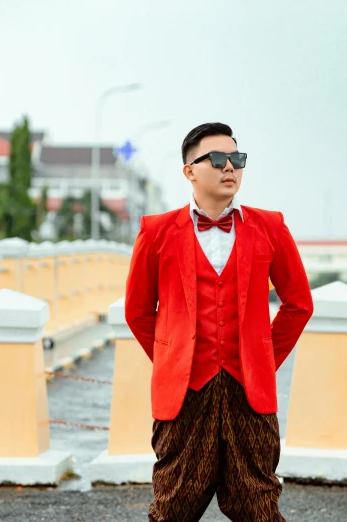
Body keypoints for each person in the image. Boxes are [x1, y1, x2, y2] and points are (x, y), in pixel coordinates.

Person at [125, 122, 314, 521]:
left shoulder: (271, 227)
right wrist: (174, 358)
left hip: (250, 396)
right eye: (217, 159)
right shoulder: (156, 232)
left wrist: (260, 359)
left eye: (237, 159)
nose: (230, 167)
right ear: (189, 171)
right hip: (184, 396)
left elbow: (298, 303)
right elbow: (138, 312)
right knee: (172, 508)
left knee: (260, 508)